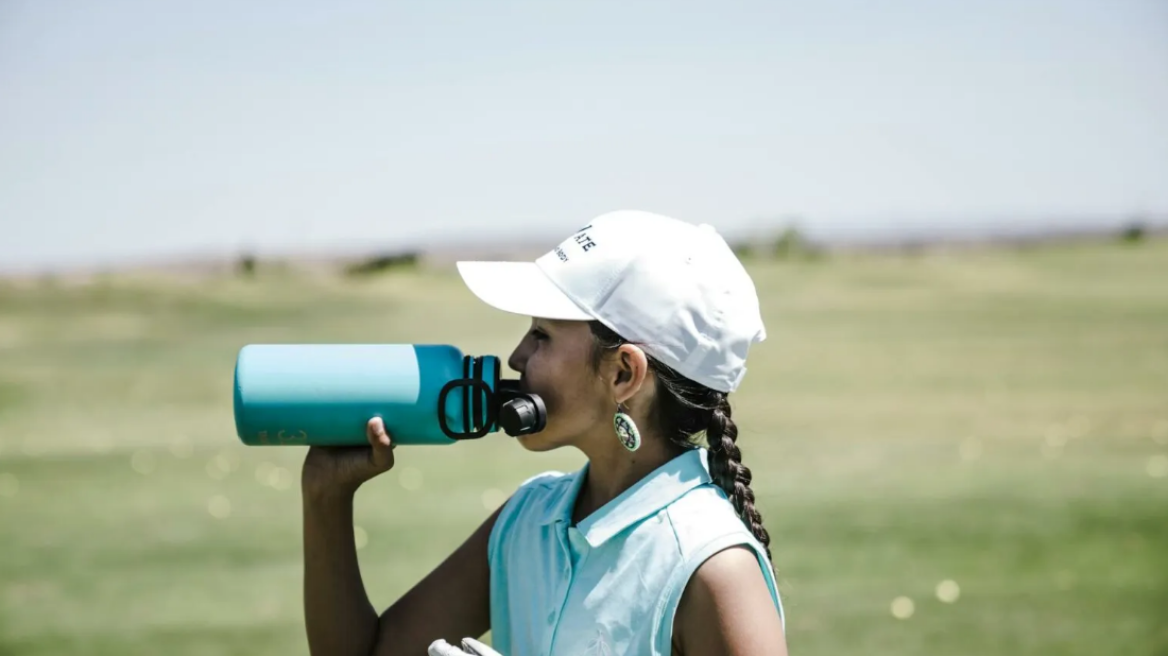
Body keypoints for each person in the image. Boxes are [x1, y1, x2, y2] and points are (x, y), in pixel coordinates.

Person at [301, 210, 789, 656]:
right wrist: (326, 497)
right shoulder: (526, 520)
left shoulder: (714, 566)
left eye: (542, 335)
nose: (515, 357)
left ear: (623, 374)